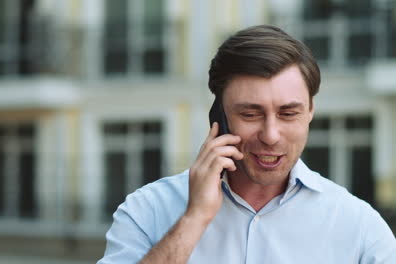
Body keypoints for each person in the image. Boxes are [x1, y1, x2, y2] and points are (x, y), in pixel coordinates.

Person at [97, 25, 396, 264]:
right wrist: (194, 218)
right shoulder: (146, 210)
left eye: (288, 113)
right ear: (219, 116)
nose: (270, 134)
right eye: (250, 114)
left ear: (310, 112)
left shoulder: (359, 226)